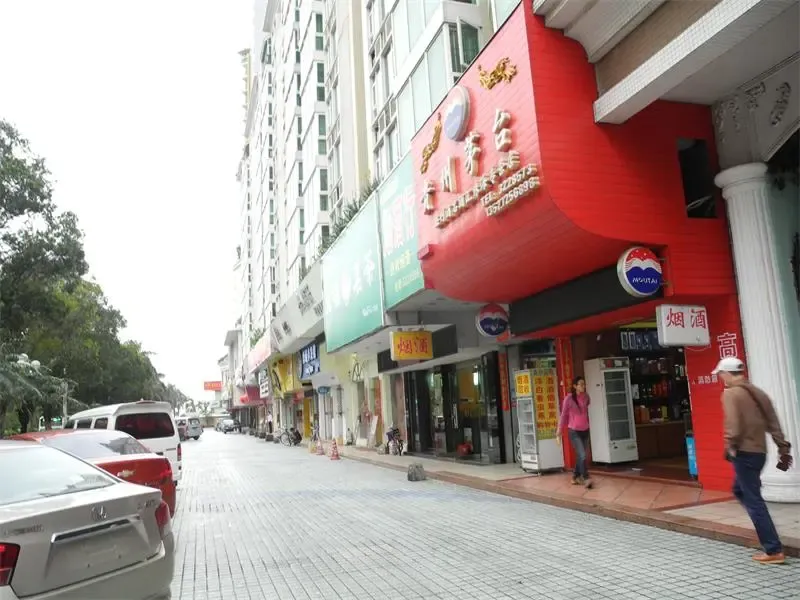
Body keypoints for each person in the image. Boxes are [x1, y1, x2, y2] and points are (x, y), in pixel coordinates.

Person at [713, 356, 793, 564]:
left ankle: (773, 549)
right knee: (740, 490)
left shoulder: (730, 393)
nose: (721, 378)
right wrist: (782, 447)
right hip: (760, 453)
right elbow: (773, 422)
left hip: (744, 452)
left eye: (721, 374)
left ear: (727, 373)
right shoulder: (758, 392)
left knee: (754, 500)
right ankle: (764, 528)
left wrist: (730, 446)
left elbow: (733, 425)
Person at [557, 375, 592, 488]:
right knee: (582, 455)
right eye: (581, 384)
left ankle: (575, 476)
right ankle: (586, 478)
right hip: (574, 431)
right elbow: (563, 415)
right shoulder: (569, 399)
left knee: (581, 455)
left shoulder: (586, 397)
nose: (583, 386)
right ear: (575, 386)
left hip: (585, 430)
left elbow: (587, 406)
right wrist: (559, 429)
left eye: (584, 384)